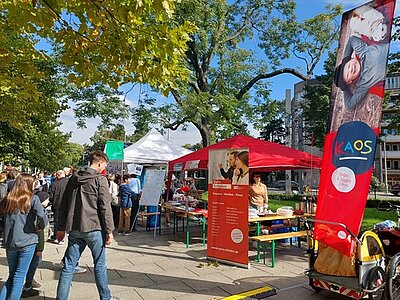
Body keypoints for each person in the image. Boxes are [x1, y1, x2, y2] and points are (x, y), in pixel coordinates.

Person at [56, 150, 116, 300]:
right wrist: (109, 231)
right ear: (100, 163)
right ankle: (105, 297)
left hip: (75, 227)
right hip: (94, 227)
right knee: (100, 265)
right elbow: (105, 207)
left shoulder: (73, 178)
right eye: (104, 165)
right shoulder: (100, 180)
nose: (104, 168)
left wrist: (61, 227)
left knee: (68, 266)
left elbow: (64, 204)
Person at [0, 174, 48, 300]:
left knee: (11, 276)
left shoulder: (8, 199)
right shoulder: (32, 199)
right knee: (19, 276)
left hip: (10, 242)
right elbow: (42, 217)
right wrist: (40, 227)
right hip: (28, 241)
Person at [334, 35, 389, 111]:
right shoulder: (363, 85)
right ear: (349, 81)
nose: (351, 69)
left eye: (349, 65)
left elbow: (351, 39)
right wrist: (344, 87)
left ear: (352, 59)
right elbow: (349, 106)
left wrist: (346, 58)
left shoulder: (363, 51)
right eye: (348, 74)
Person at [21, 184, 51, 298]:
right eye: (47, 199)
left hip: (27, 241)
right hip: (35, 243)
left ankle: (29, 281)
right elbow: (40, 232)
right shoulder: (39, 212)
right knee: (33, 263)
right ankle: (28, 284)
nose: (48, 201)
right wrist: (40, 248)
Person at [48, 170, 69, 244]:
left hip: (57, 205)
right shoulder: (69, 182)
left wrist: (51, 203)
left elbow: (51, 196)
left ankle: (57, 237)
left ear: (58, 175)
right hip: (67, 205)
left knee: (57, 221)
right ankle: (62, 237)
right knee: (65, 221)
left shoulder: (54, 184)